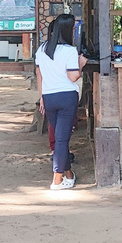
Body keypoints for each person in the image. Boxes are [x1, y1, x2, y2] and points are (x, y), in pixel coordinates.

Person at [35, 13, 86, 190]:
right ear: (69, 31)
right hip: (66, 97)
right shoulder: (69, 51)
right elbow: (73, 77)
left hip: (49, 97)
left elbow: (39, 75)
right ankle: (57, 179)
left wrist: (42, 96)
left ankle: (68, 174)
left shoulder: (42, 49)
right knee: (62, 140)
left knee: (59, 138)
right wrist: (81, 64)